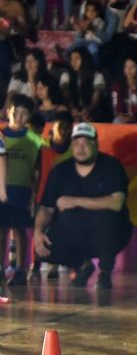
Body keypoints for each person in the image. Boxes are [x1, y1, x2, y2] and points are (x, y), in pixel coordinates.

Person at [34, 122, 132, 289]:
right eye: (77, 143)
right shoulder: (60, 171)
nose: (81, 147)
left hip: (108, 230)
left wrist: (74, 201)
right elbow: (46, 208)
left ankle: (105, 272)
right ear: (71, 145)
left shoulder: (111, 166)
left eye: (86, 142)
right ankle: (83, 265)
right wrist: (37, 232)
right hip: (74, 229)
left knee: (107, 218)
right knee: (46, 248)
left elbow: (116, 202)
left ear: (97, 144)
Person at [0, 94, 40, 285]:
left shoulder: (33, 140)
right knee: (1, 229)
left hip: (22, 191)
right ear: (8, 112)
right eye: (15, 111)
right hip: (2, 190)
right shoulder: (1, 136)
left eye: (24, 113)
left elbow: (38, 169)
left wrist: (34, 194)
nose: (18, 116)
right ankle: (1, 268)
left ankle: (21, 270)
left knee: (20, 230)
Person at [32, 110, 72, 280]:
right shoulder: (42, 147)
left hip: (63, 199)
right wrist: (33, 195)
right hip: (43, 196)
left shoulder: (73, 149)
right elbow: (35, 172)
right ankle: (35, 266)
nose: (62, 130)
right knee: (39, 229)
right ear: (52, 127)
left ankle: (55, 266)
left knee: (57, 231)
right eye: (59, 126)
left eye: (66, 127)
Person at [59, 47, 107, 122]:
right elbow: (66, 96)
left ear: (84, 59)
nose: (73, 62)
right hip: (72, 111)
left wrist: (87, 110)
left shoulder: (96, 76)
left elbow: (95, 100)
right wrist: (72, 109)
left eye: (77, 59)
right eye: (71, 60)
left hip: (90, 112)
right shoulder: (66, 76)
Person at [110, 57, 137, 123]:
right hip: (124, 117)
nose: (129, 69)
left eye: (133, 67)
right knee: (116, 121)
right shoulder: (117, 85)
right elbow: (116, 105)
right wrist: (120, 114)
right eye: (126, 67)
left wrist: (134, 116)